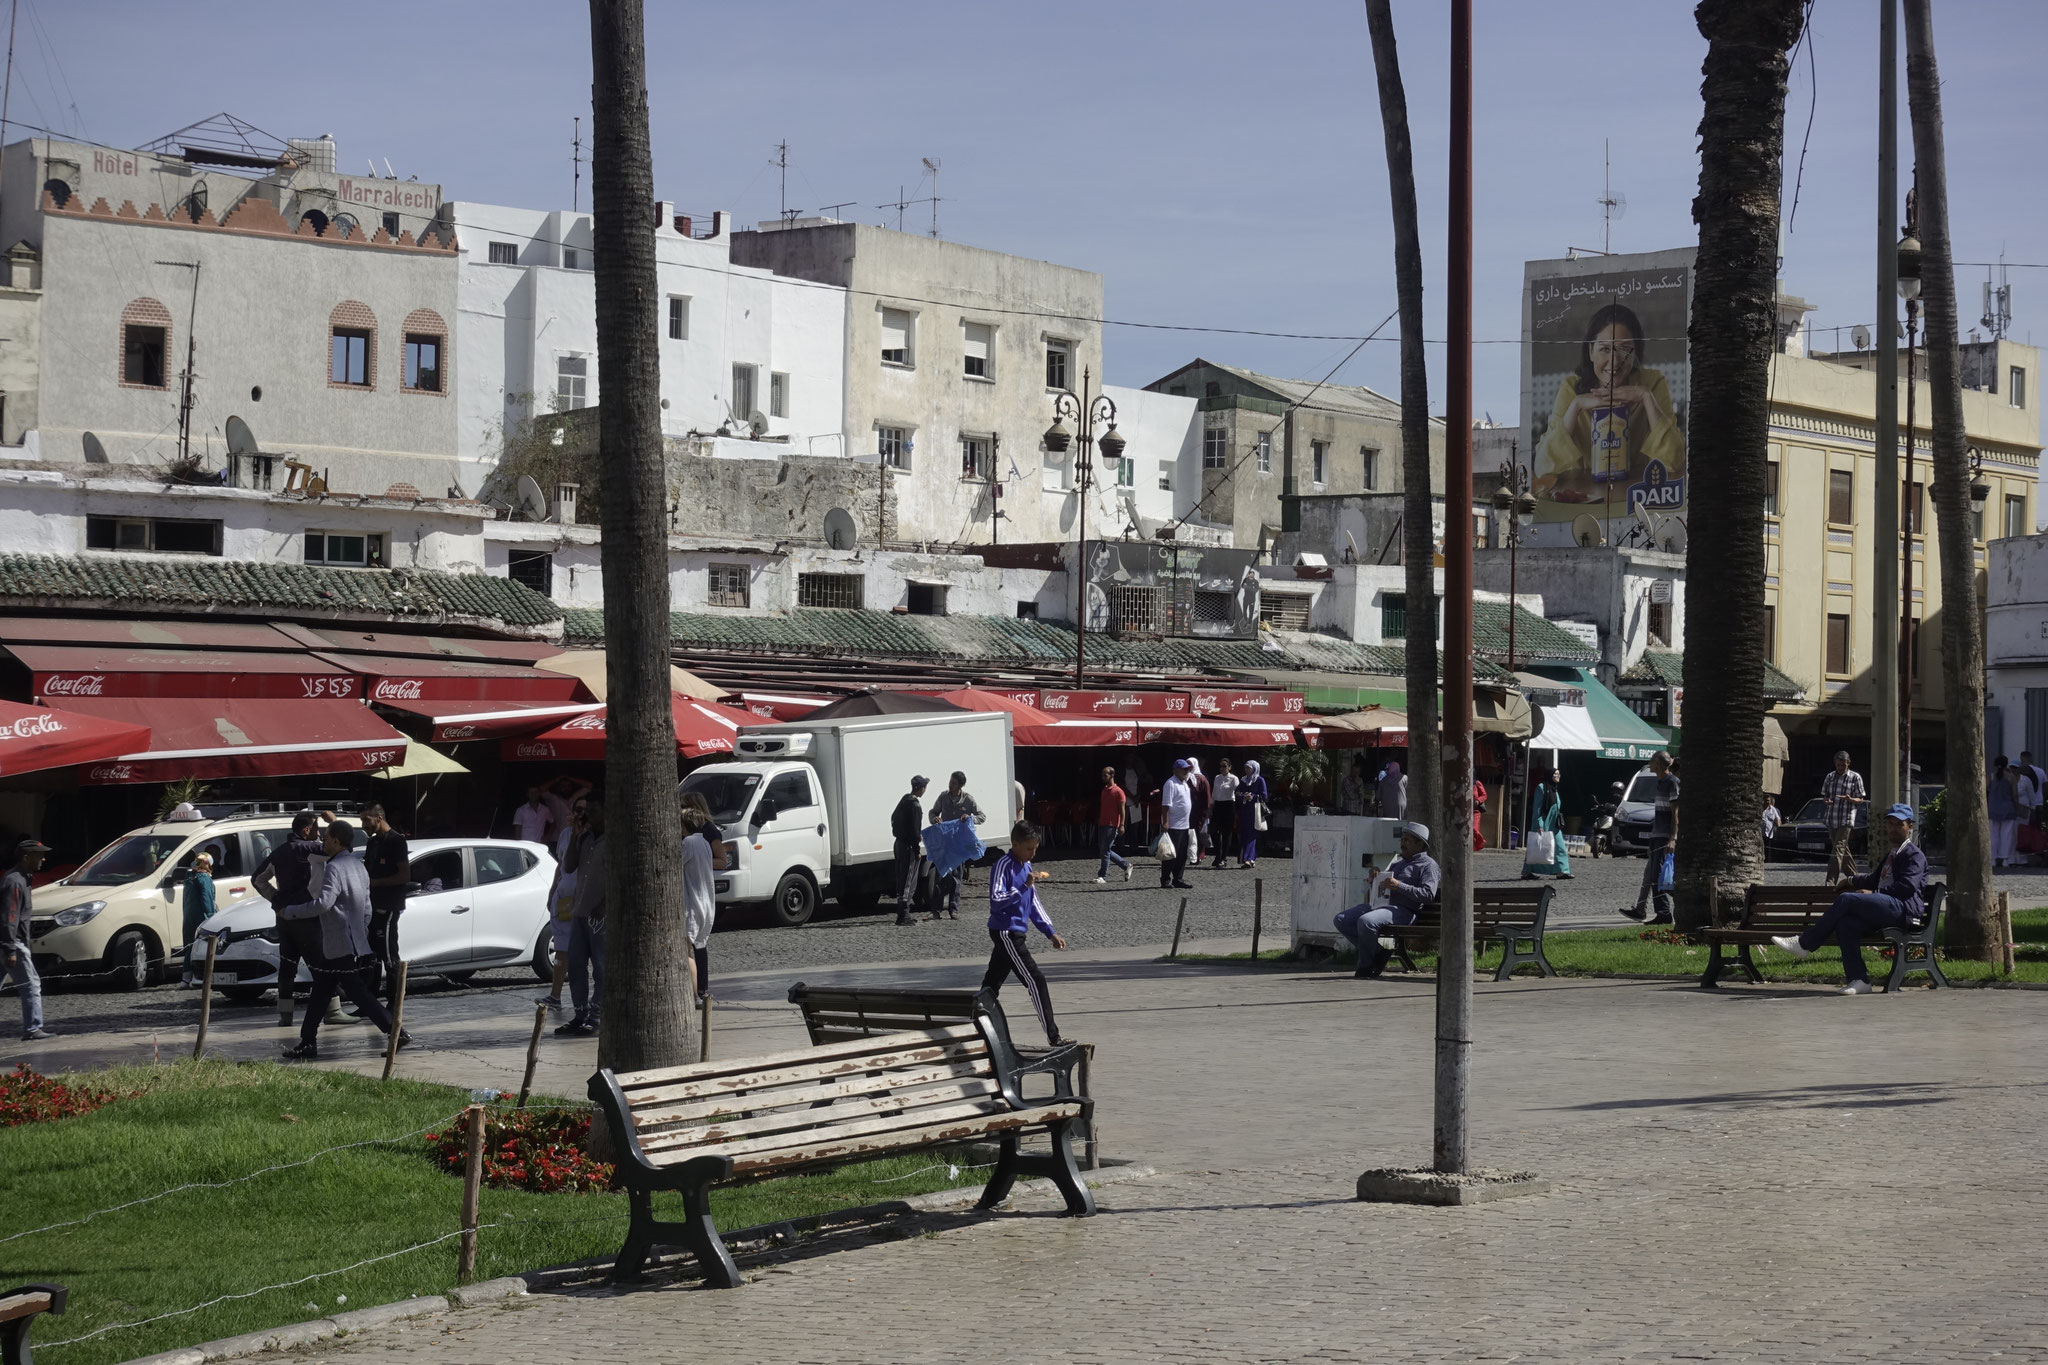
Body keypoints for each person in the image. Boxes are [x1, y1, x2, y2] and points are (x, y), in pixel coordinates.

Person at [279, 820, 411, 1060]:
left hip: (339, 941)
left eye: (327, 838)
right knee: (321, 991)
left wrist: (290, 912)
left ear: (337, 841)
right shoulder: (358, 866)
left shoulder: (335, 868)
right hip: (349, 941)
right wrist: (360, 929)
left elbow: (324, 903)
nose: (323, 841)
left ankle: (397, 1032)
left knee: (357, 993)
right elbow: (367, 907)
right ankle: (307, 1041)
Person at [1536, 301, 1686, 505]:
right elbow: (1543, 467)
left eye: (1625, 350)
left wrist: (1646, 398)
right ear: (1590, 351)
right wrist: (1576, 407)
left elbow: (1675, 461)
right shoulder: (1571, 388)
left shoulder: (1651, 383)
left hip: (1639, 501)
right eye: (1605, 349)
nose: (1615, 361)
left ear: (1636, 353)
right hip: (1585, 504)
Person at [1772, 803, 1929, 995]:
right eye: (1890, 824)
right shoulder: (1892, 854)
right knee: (1846, 923)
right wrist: (1851, 880)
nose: (1893, 829)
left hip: (1904, 910)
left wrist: (1873, 893)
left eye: (1899, 824)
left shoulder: (1914, 855)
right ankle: (1859, 980)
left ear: (1910, 827)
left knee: (1847, 899)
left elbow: (1907, 887)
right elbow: (1873, 879)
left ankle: (1804, 943)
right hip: (1889, 908)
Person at [981, 820, 1071, 1047]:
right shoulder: (1003, 865)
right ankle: (1054, 1037)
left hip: (1016, 932)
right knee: (1035, 979)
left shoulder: (1027, 867)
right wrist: (1022, 887)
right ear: (1015, 844)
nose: (1033, 852)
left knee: (991, 985)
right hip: (1006, 931)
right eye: (1029, 848)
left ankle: (973, 1026)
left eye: (1035, 848)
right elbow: (996, 900)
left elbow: (1033, 904)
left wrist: (1050, 932)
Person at [1332, 821, 1441, 979]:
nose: (1402, 843)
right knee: (1341, 920)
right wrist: (1375, 877)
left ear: (1420, 844)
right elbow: (1382, 886)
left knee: (1366, 921)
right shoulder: (1398, 863)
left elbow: (1428, 894)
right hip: (1382, 906)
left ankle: (1365, 967)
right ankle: (1379, 953)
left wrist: (1399, 886)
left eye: (1407, 840)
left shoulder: (1428, 866)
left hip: (1405, 911)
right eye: (1402, 839)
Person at [254, 811, 330, 1027]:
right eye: (317, 830)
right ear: (306, 830)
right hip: (307, 915)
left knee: (287, 968)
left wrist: (276, 900)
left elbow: (257, 879)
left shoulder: (279, 852)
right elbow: (340, 850)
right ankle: (332, 1010)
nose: (319, 834)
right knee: (320, 965)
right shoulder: (311, 848)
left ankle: (285, 1017)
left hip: (284, 918)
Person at [557, 801, 606, 1037]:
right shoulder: (585, 838)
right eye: (583, 812)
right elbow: (568, 866)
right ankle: (580, 1014)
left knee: (601, 968)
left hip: (600, 915)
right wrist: (576, 837)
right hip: (579, 911)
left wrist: (606, 904)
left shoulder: (612, 841)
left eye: (592, 810)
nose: (587, 815)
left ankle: (596, 1017)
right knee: (575, 966)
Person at [535, 795, 588, 1010]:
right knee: (562, 949)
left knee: (584, 952)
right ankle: (555, 995)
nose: (580, 814)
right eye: (577, 809)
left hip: (584, 901)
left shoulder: (594, 836)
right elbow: (562, 865)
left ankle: (584, 1004)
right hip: (564, 899)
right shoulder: (566, 834)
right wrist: (552, 891)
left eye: (585, 810)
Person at [359, 804, 408, 1012]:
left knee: (389, 955)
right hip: (371, 906)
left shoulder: (396, 841)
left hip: (388, 907)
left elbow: (404, 876)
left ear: (378, 817)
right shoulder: (373, 842)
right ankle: (369, 1003)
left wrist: (376, 883)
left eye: (366, 820)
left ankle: (393, 1004)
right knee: (370, 955)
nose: (363, 825)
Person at [1621, 751, 1679, 924]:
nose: (1650, 763)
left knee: (1659, 877)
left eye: (1652, 761)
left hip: (1664, 838)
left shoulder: (1672, 783)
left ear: (1659, 764)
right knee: (1652, 876)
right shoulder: (1660, 782)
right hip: (1656, 836)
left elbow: (1675, 815)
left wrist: (1672, 838)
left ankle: (1664, 913)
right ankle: (1646, 910)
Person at [3, 838, 52, 1041]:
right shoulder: (15, 881)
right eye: (39, 856)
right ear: (26, 858)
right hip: (12, 942)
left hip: (9, 941)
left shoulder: (21, 878)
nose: (43, 859)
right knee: (31, 985)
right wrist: (10, 948)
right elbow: (10, 916)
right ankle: (33, 1028)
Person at [927, 771, 986, 920]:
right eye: (950, 782)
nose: (950, 785)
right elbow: (933, 812)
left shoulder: (968, 800)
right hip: (945, 843)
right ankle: (936, 910)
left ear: (960, 785)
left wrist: (970, 818)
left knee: (956, 878)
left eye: (953, 783)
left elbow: (982, 816)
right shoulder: (943, 797)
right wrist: (935, 819)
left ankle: (953, 909)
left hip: (960, 846)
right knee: (941, 876)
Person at [681, 807, 717, 1002]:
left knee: (685, 950)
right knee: (698, 947)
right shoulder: (704, 842)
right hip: (707, 904)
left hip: (692, 905)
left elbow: (675, 863)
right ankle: (700, 991)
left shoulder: (688, 842)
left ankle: (694, 995)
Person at [1820, 750, 1867, 884]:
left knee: (1838, 849)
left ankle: (1830, 882)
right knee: (1842, 850)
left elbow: (1861, 799)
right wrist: (1826, 801)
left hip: (1846, 818)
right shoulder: (1830, 776)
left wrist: (1850, 799)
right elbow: (1825, 796)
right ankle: (1855, 878)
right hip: (1831, 818)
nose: (1840, 768)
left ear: (1848, 764)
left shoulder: (1855, 777)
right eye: (1838, 765)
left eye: (1843, 765)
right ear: (1835, 764)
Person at [892, 776, 930, 924]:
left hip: (898, 844)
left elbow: (893, 818)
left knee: (901, 878)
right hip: (908, 846)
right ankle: (904, 914)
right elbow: (915, 830)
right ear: (922, 789)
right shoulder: (915, 805)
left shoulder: (904, 800)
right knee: (909, 879)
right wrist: (917, 848)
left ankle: (902, 911)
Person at [1522, 768, 1572, 880]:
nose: (1558, 776)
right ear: (1550, 775)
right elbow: (1537, 808)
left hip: (1554, 824)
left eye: (1559, 774)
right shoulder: (1541, 788)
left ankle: (1562, 871)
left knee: (1560, 847)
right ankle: (1527, 872)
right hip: (1543, 823)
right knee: (1535, 847)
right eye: (1555, 774)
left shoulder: (1554, 789)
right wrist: (1539, 824)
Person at [179, 851, 217, 987]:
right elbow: (207, 899)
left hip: (188, 916)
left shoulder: (189, 877)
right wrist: (211, 917)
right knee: (203, 946)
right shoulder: (204, 878)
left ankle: (186, 978)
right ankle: (199, 977)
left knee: (189, 946)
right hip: (201, 916)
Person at [1159, 759, 1194, 889]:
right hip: (1173, 825)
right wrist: (1166, 821)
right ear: (1176, 770)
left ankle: (1178, 878)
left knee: (1182, 854)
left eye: (1188, 769)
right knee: (1170, 854)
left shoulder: (1185, 783)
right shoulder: (1170, 783)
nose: (1187, 771)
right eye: (1184, 769)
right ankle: (1165, 879)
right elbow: (1166, 805)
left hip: (1185, 824)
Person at [1093, 766, 1132, 884]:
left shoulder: (1118, 792)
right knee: (1104, 850)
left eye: (1105, 775)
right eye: (1102, 775)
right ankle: (1126, 865)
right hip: (1103, 823)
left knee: (1105, 850)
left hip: (1112, 825)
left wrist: (1122, 825)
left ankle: (1102, 875)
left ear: (1112, 775)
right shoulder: (1104, 790)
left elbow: (1122, 810)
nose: (1103, 777)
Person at [1989, 756, 2021, 871]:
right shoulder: (2011, 777)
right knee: (2007, 836)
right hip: (2008, 809)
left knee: (1993, 835)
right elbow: (2015, 795)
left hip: (1993, 809)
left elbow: (1986, 790)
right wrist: (2017, 808)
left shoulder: (1991, 776)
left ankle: (1992, 859)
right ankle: (2005, 859)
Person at [1237, 759, 1268, 869]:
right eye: (1245, 767)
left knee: (1251, 834)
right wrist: (1243, 795)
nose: (1246, 770)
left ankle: (1247, 858)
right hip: (1244, 810)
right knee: (1245, 834)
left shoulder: (1259, 780)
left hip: (1254, 811)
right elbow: (1238, 793)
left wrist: (1253, 796)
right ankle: (1251, 858)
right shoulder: (1243, 780)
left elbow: (1264, 796)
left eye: (1249, 768)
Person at [1209, 758, 1239, 869]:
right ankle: (1218, 854)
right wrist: (1210, 807)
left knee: (1226, 833)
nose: (1222, 768)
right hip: (1217, 805)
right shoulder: (1217, 778)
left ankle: (1223, 858)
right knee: (1213, 831)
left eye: (1224, 766)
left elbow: (1237, 792)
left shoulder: (1234, 779)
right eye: (1220, 766)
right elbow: (1214, 793)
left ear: (1229, 767)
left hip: (1229, 805)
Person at [1185, 757, 1212, 862]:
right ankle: (1190, 854)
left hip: (1199, 810)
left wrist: (1207, 809)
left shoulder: (1202, 779)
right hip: (1188, 811)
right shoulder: (1185, 778)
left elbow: (1207, 795)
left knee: (1198, 832)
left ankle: (1199, 854)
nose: (1188, 767)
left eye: (1190, 764)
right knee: (1189, 832)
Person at [1471, 777, 1488, 852]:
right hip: (1465, 810)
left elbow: (1484, 795)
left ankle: (1479, 843)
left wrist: (1478, 800)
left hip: (1475, 811)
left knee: (1474, 829)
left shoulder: (1477, 783)